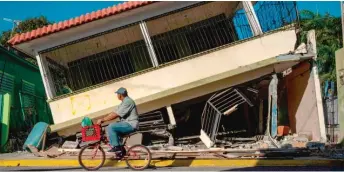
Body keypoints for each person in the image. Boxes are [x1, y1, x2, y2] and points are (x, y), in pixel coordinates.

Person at [96, 87, 139, 156]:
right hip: (127, 123)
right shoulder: (123, 102)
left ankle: (117, 147)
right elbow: (113, 112)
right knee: (114, 132)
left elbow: (116, 115)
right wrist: (102, 119)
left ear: (120, 95)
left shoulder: (128, 102)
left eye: (117, 94)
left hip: (131, 124)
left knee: (111, 127)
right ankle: (121, 151)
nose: (117, 96)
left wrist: (103, 120)